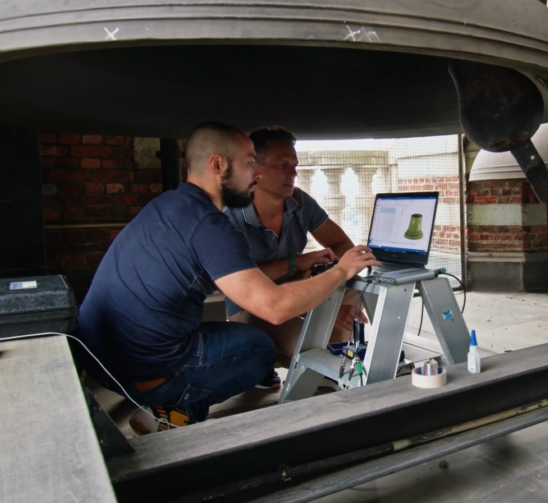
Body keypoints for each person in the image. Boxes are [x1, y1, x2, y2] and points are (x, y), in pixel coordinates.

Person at [74, 122, 379, 434]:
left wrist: (299, 265)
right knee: (257, 350)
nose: (256, 174)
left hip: (101, 365)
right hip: (145, 373)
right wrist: (342, 270)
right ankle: (176, 409)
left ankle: (167, 409)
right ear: (217, 164)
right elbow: (274, 307)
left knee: (233, 335)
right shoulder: (212, 227)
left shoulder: (168, 205)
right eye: (249, 164)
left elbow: (247, 277)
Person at [225, 127, 365, 383]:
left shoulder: (300, 202)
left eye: (295, 165)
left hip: (295, 289)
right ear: (255, 169)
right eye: (282, 165)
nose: (293, 173)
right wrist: (295, 261)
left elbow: (339, 242)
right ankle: (288, 365)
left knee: (353, 283)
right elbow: (241, 280)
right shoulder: (229, 216)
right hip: (253, 305)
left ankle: (335, 366)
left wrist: (335, 300)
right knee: (310, 343)